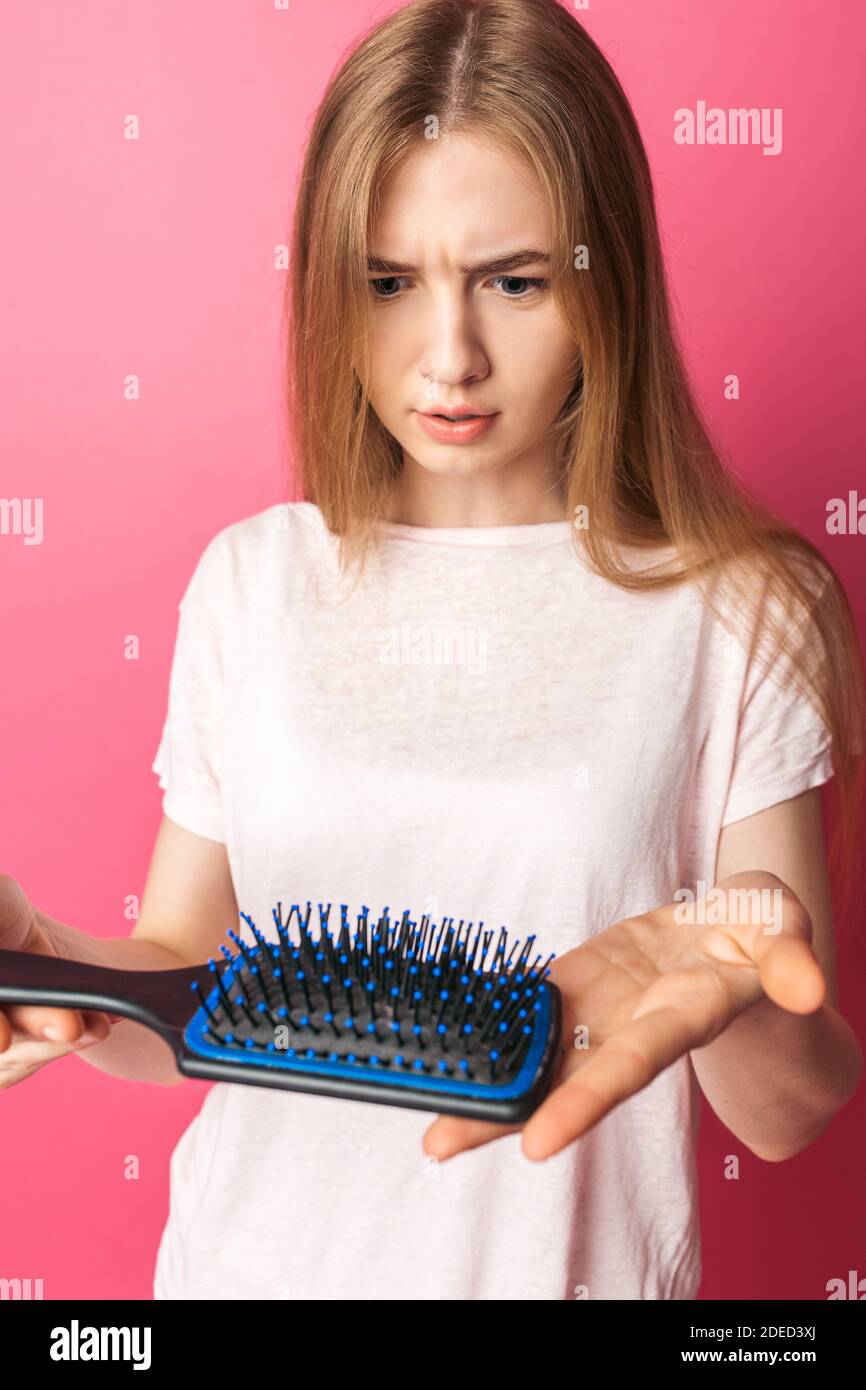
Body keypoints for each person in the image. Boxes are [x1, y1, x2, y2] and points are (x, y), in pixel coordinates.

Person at [2, 0, 863, 1301]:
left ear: (603, 277)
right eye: (390, 283)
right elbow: (190, 997)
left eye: (513, 281)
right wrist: (47, 960)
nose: (449, 356)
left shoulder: (744, 606)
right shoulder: (254, 581)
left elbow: (787, 1112)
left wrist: (740, 975)